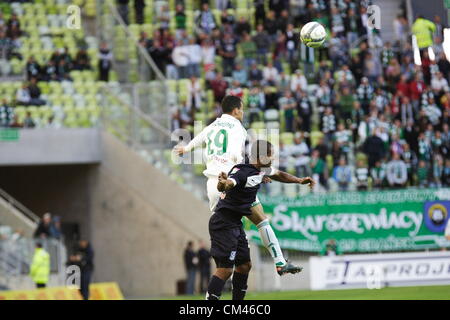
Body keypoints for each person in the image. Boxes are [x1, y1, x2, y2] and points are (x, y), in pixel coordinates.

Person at [174, 96, 303, 276]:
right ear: (235, 110)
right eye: (241, 109)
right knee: (262, 221)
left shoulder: (213, 126)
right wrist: (252, 175)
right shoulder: (239, 129)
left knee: (226, 227)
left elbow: (199, 139)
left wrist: (185, 149)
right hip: (232, 182)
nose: (242, 113)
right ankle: (280, 262)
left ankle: (226, 269)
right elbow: (237, 159)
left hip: (212, 185)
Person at [206, 140, 314, 300]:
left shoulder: (260, 171)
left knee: (244, 266)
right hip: (223, 223)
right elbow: (230, 182)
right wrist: (223, 183)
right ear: (261, 157)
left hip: (235, 223)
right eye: (271, 156)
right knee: (225, 270)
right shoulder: (242, 171)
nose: (273, 159)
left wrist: (299, 180)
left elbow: (279, 175)